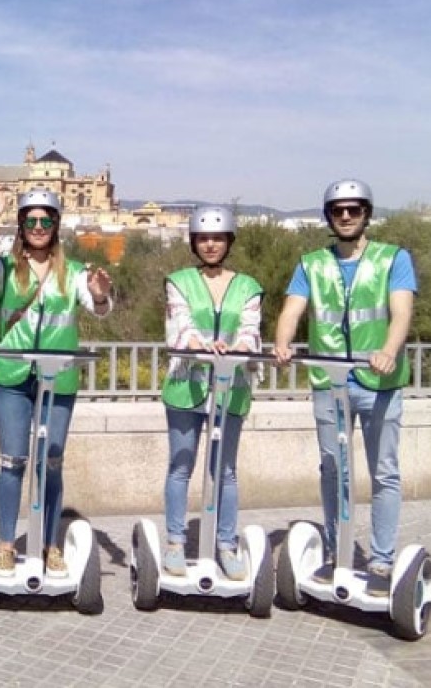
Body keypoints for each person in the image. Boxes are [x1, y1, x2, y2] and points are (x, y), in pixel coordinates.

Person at [273, 179, 416, 597]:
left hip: (379, 382)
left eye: (354, 209)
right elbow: (292, 310)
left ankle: (382, 559)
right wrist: (282, 344)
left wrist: (389, 349)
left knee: (384, 472)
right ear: (329, 218)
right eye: (339, 211)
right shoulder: (311, 263)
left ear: (366, 213)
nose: (347, 216)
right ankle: (337, 554)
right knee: (333, 469)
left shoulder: (394, 259)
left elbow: (401, 312)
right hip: (328, 381)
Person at [0, 182, 113, 578]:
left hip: (58, 379)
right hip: (13, 377)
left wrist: (100, 295)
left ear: (55, 225)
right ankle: (6, 543)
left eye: (45, 220)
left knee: (51, 462)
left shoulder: (75, 272)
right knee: (13, 460)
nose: (37, 226)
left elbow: (99, 308)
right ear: (21, 225)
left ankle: (50, 543)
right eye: (30, 220)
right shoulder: (6, 268)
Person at [159, 206, 263, 580]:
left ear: (229, 241)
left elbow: (251, 329)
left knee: (226, 470)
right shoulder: (179, 281)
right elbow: (179, 324)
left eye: (218, 238)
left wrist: (239, 348)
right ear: (193, 242)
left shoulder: (249, 287)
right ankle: (175, 541)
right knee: (181, 464)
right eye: (203, 238)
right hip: (186, 386)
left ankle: (226, 543)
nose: (210, 244)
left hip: (230, 388)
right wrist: (204, 345)